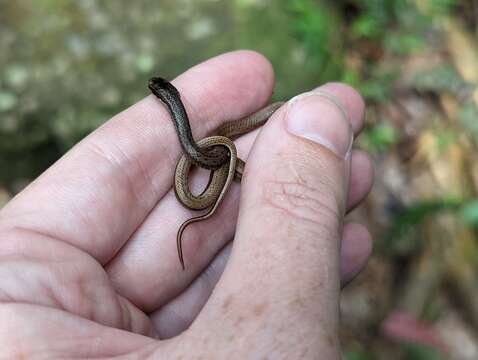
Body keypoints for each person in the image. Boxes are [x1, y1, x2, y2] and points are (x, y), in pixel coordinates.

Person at [0, 51, 373, 358]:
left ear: (166, 97)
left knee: (217, 147)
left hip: (215, 153)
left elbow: (204, 151)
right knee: (210, 154)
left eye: (159, 91)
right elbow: (200, 152)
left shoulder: (208, 147)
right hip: (210, 158)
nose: (156, 91)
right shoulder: (200, 153)